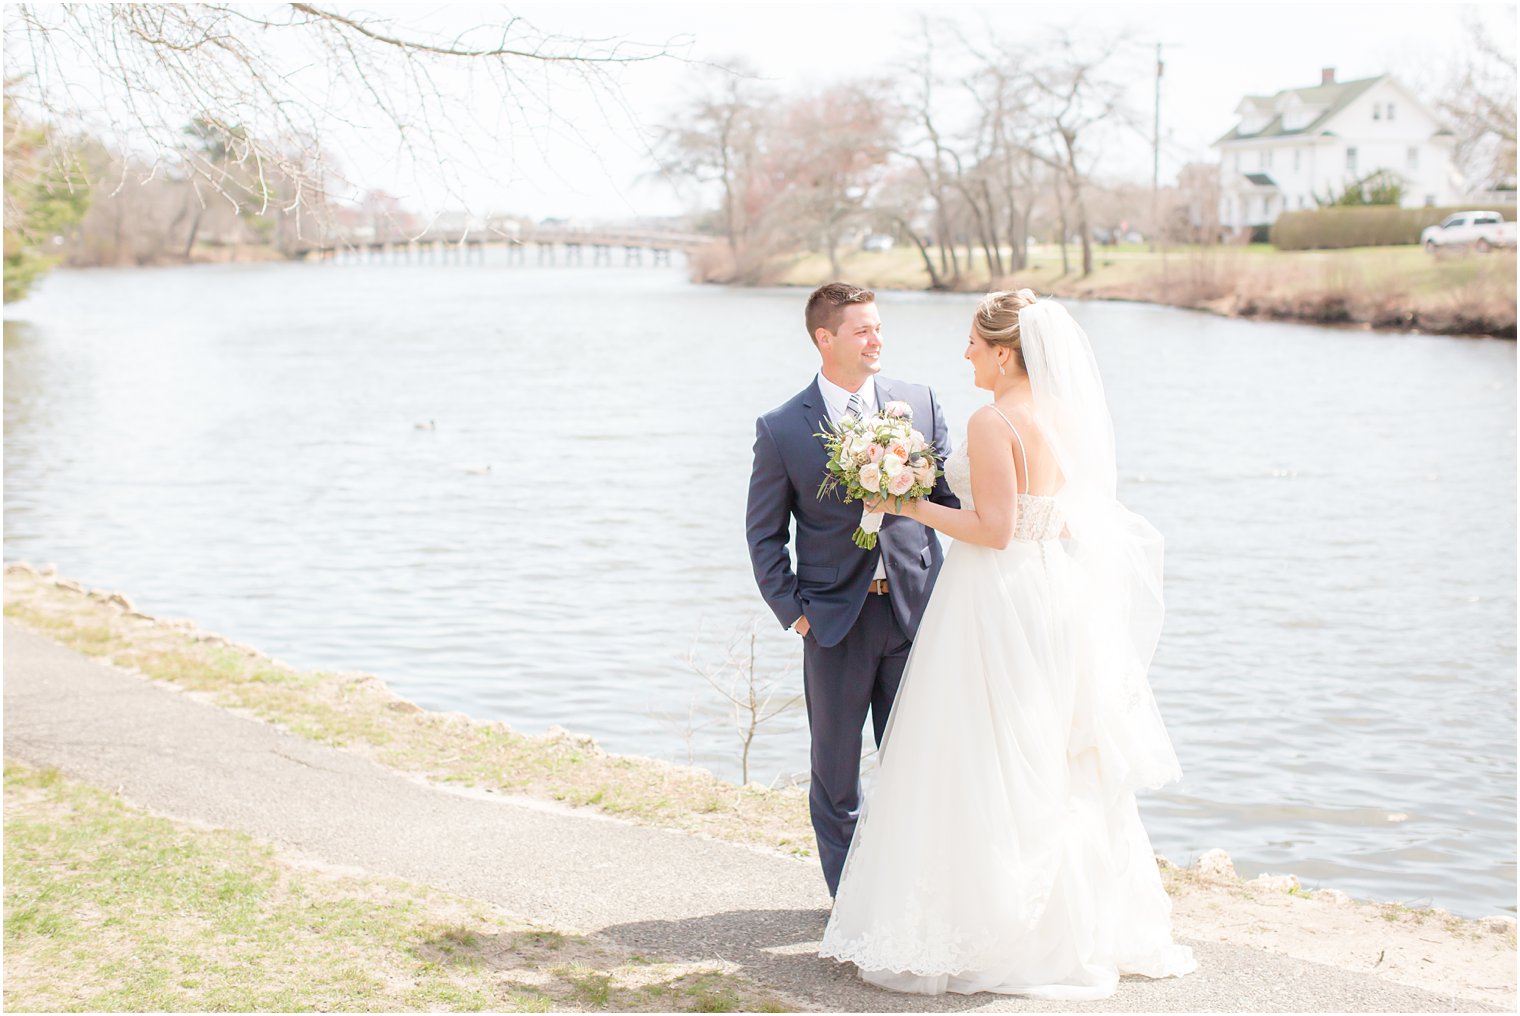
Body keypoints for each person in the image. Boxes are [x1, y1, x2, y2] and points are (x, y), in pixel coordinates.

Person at [818, 290, 1197, 999]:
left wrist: (900, 502)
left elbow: (993, 528)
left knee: (980, 753)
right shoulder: (1060, 417)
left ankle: (990, 927)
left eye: (972, 343)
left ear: (1004, 352)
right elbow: (1047, 519)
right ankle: (1076, 923)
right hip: (1049, 591)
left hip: (992, 595)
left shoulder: (993, 420)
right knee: (1048, 754)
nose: (964, 353)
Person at [746, 282, 960, 898]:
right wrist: (797, 615)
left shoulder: (916, 403)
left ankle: (914, 901)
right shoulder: (783, 427)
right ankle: (852, 909)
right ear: (826, 338)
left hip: (916, 613)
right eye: (863, 330)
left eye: (879, 327)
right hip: (834, 623)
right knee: (837, 779)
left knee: (917, 767)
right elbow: (764, 537)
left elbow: (946, 501)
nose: (877, 340)